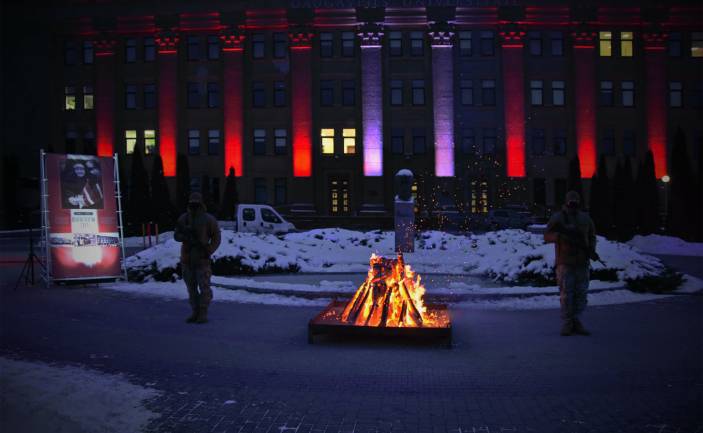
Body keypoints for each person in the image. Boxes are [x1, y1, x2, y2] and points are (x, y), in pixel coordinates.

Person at [544, 190, 597, 336]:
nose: (573, 204)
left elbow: (592, 236)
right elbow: (547, 235)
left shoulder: (585, 218)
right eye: (571, 201)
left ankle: (577, 321)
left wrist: (591, 249)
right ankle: (568, 322)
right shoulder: (558, 218)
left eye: (575, 201)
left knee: (581, 293)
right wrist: (560, 237)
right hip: (565, 262)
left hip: (582, 262)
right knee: (566, 294)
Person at [174, 192, 221, 324]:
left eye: (196, 204)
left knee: (204, 287)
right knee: (191, 288)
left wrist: (209, 250)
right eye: (192, 204)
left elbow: (216, 237)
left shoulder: (208, 220)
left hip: (202, 260)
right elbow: (176, 235)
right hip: (187, 259)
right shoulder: (184, 219)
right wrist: (185, 237)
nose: (194, 206)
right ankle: (195, 312)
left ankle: (203, 312)